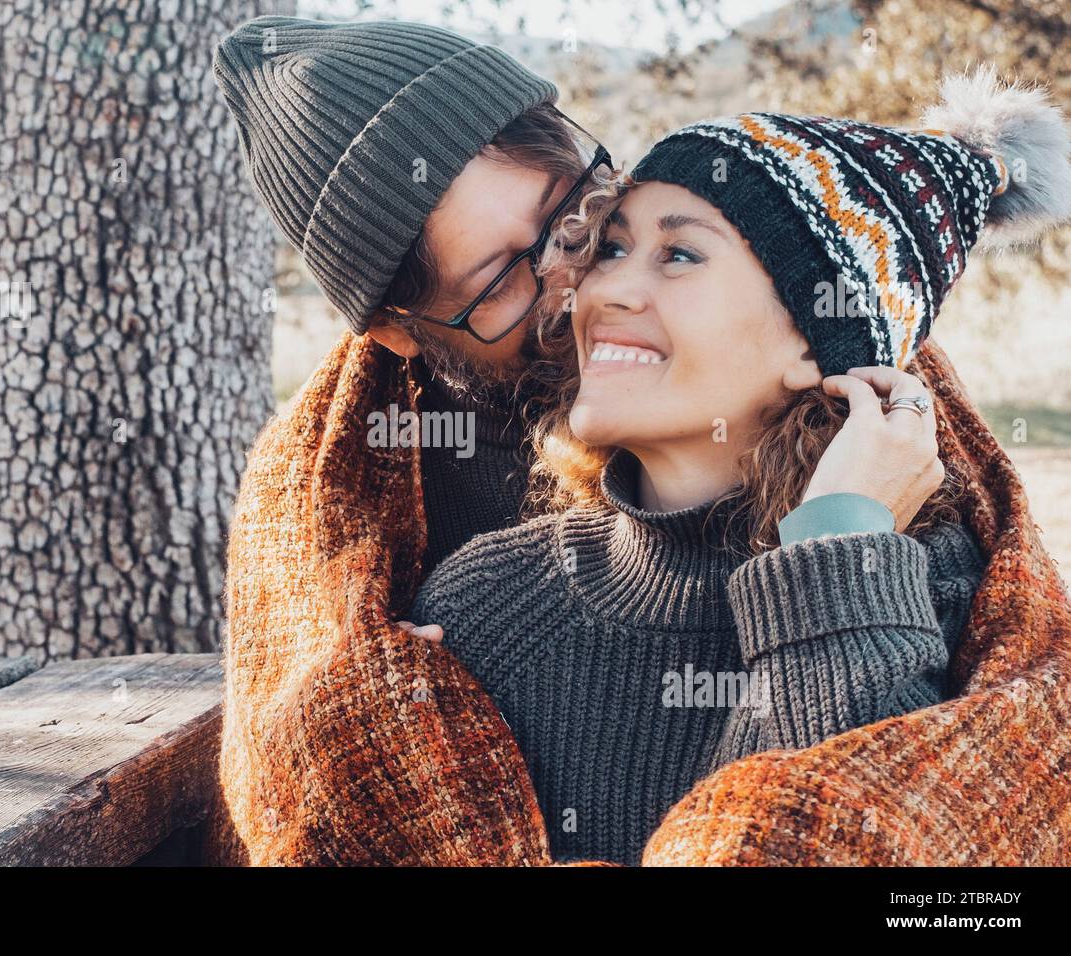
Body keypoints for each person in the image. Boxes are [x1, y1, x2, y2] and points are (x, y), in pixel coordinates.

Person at [212, 15, 1071, 866]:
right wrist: (375, 739)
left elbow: (931, 802)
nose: (579, 275)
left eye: (576, 213)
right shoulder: (400, 525)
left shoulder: (910, 503)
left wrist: (842, 546)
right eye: (503, 277)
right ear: (406, 336)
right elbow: (304, 748)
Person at [410, 93, 1071, 864]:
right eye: (612, 250)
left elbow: (848, 850)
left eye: (680, 255)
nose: (606, 291)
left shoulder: (948, 600)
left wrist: (839, 548)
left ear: (814, 344)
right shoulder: (488, 604)